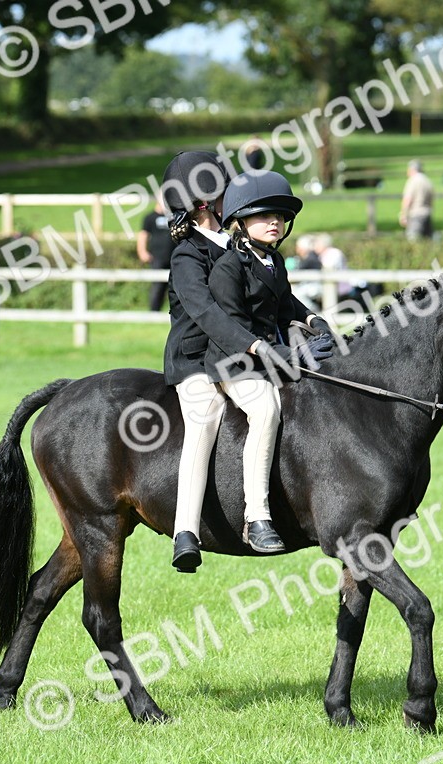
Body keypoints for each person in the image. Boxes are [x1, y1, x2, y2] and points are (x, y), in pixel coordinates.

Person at [204, 172, 335, 553]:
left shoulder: (273, 260)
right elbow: (234, 330)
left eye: (278, 215)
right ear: (240, 223)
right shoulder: (228, 268)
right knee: (265, 410)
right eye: (263, 216)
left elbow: (288, 304)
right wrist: (287, 357)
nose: (274, 221)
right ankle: (257, 517)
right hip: (235, 363)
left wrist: (315, 322)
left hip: (272, 354)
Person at [161, 151, 257, 573]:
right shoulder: (187, 255)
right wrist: (252, 345)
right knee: (207, 412)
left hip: (233, 354)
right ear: (204, 203)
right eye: (224, 191)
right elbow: (206, 314)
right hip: (196, 359)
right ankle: (186, 531)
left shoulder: (238, 246)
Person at [138, 197, 174, 311]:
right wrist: (142, 252)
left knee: (175, 286)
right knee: (158, 286)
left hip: (174, 257)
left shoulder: (174, 217)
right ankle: (154, 311)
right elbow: (143, 235)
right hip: (157, 258)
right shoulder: (150, 217)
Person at [399, 159, 434, 241]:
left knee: (413, 240)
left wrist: (404, 215)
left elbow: (408, 199)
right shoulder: (427, 180)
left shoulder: (412, 181)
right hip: (427, 213)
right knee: (428, 241)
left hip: (416, 215)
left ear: (412, 169)